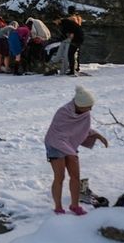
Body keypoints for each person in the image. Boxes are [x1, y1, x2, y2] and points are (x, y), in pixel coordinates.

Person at [44, 86, 108, 215]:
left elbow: (80, 130)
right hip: (55, 143)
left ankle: (75, 205)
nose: (90, 109)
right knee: (59, 177)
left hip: (69, 145)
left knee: (75, 176)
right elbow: (59, 135)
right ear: (79, 105)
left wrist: (97, 135)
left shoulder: (85, 113)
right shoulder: (63, 112)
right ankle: (58, 207)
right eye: (88, 106)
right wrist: (71, 153)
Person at [59, 7, 85, 75]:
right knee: (77, 53)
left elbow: (70, 28)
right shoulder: (79, 17)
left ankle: (72, 69)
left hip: (73, 37)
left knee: (71, 54)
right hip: (79, 35)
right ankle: (77, 67)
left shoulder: (71, 18)